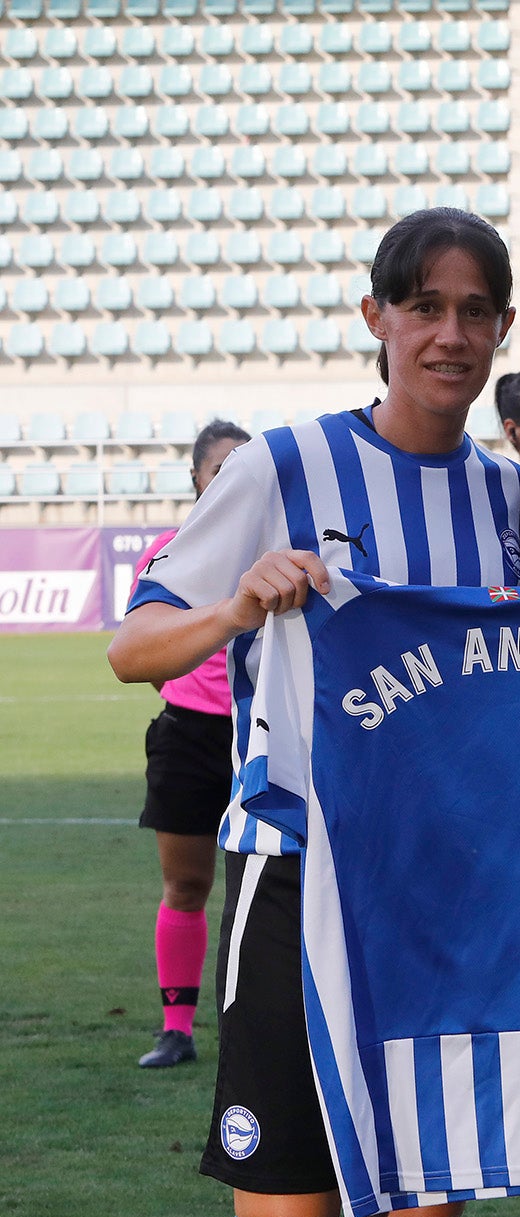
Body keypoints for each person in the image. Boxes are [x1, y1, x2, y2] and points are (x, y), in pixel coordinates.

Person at [108, 206, 520, 1217]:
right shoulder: (283, 468)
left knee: (425, 1207)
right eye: (424, 306)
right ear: (375, 315)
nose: (450, 334)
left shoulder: (514, 494)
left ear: (503, 326)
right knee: (291, 1216)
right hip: (299, 875)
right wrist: (234, 609)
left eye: (475, 311)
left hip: (448, 890)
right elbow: (135, 647)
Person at [131, 419, 251, 1070]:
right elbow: (145, 654)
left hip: (263, 734)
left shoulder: (275, 549)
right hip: (190, 736)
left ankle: (263, 1024)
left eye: (243, 469)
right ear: (197, 480)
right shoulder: (170, 552)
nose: (229, 480)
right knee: (187, 884)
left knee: (267, 886)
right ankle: (176, 1029)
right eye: (218, 470)